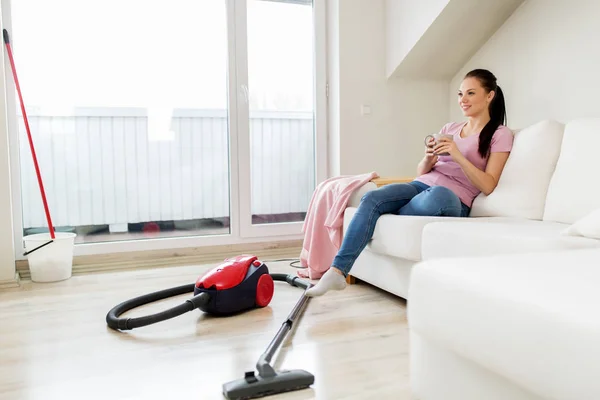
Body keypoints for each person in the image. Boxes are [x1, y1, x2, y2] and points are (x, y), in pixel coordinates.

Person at [305, 68, 514, 297]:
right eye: (460, 94)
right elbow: (422, 171)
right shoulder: (450, 129)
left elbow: (489, 184)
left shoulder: (499, 133)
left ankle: (391, 211)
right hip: (420, 186)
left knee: (438, 196)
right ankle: (337, 271)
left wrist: (457, 155)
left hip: (452, 198)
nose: (462, 100)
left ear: (489, 95)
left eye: (470, 93)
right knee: (373, 197)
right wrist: (428, 157)